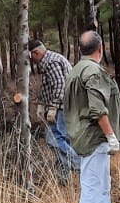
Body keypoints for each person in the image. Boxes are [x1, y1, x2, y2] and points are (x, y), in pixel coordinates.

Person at [62, 30, 120, 203]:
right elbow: (97, 109)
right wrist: (111, 136)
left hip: (84, 135)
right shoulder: (93, 72)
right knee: (93, 185)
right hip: (94, 137)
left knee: (102, 184)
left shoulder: (76, 69)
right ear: (101, 49)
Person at [28, 39, 81, 177]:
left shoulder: (51, 62)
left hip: (62, 107)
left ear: (37, 53)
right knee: (64, 139)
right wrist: (41, 104)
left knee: (53, 139)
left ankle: (79, 166)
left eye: (31, 56)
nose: (31, 61)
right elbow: (48, 87)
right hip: (64, 106)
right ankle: (64, 174)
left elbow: (59, 85)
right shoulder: (50, 60)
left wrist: (53, 107)